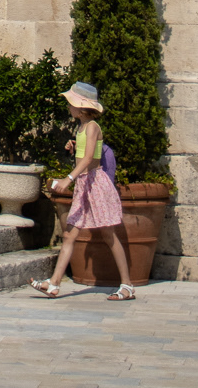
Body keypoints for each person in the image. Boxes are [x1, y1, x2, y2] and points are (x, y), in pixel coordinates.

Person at [30, 81, 135, 300]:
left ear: (81, 106)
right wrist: (73, 147)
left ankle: (127, 285)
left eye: (70, 102)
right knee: (70, 234)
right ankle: (54, 283)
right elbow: (86, 152)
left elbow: (90, 159)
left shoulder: (93, 127)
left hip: (95, 185)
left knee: (108, 233)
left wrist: (68, 179)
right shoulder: (81, 128)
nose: (68, 106)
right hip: (84, 185)